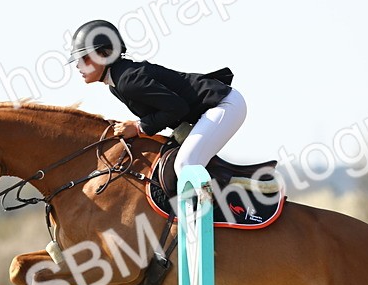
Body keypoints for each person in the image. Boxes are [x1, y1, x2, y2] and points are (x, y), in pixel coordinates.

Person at [68, 19, 246, 195]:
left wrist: (138, 127)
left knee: (186, 163)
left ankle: (206, 219)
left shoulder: (127, 80)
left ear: (103, 54)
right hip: (210, 109)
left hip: (224, 105)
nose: (77, 65)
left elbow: (177, 108)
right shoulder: (117, 83)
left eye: (83, 58)